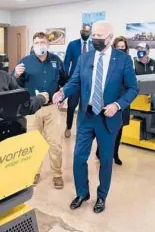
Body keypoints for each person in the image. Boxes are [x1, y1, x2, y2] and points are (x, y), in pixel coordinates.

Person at [53, 21, 138, 213]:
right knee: (78, 157)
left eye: (100, 37)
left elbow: (133, 88)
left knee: (106, 160)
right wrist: (62, 93)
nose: (96, 40)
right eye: (94, 37)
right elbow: (75, 82)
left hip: (108, 118)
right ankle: (82, 193)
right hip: (86, 115)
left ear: (110, 37)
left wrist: (117, 105)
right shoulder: (85, 58)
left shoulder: (123, 60)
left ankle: (102, 196)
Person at [13, 32, 68, 189]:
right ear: (33, 44)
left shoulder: (56, 61)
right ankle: (34, 172)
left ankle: (57, 174)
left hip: (52, 108)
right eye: (36, 42)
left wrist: (63, 96)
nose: (39, 45)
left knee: (55, 144)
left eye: (42, 42)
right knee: (32, 144)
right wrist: (16, 74)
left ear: (48, 44)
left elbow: (66, 81)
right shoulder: (25, 62)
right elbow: (14, 83)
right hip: (32, 109)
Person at [96, 36, 131, 165]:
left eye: (123, 47)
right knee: (104, 128)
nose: (121, 49)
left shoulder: (128, 62)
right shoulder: (108, 62)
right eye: (118, 47)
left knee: (118, 130)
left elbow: (131, 85)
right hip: (109, 101)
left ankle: (115, 154)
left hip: (123, 102)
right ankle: (100, 151)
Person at [63, 24, 94, 138]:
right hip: (74, 81)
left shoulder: (93, 46)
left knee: (84, 107)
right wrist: (66, 78)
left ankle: (82, 129)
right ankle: (68, 126)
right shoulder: (73, 44)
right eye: (83, 31)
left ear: (90, 33)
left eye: (88, 32)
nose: (85, 33)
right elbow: (66, 62)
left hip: (88, 82)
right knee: (71, 105)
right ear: (80, 31)